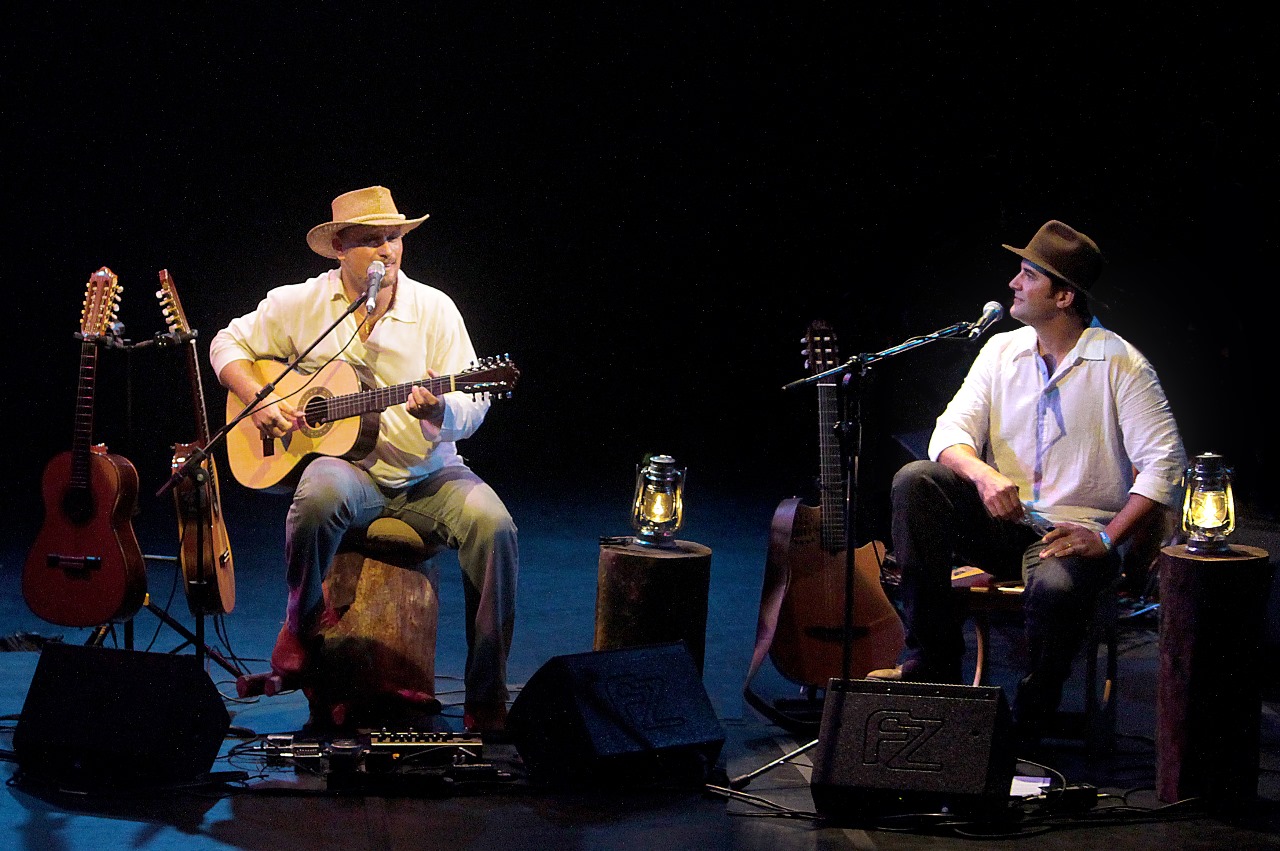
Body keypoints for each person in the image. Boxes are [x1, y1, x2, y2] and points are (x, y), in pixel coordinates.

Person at [210, 185, 519, 734]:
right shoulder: (301, 303)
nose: (388, 251)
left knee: (495, 527)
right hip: (351, 473)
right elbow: (226, 345)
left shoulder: (434, 308)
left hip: (429, 474)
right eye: (372, 240)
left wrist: (440, 410)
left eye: (394, 238)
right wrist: (259, 401)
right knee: (317, 494)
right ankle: (300, 627)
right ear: (338, 248)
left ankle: (487, 694)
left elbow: (476, 402)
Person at [869, 220, 1186, 743]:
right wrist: (984, 474)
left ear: (1063, 296)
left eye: (1028, 275)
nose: (1013, 283)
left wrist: (1107, 538)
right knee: (917, 480)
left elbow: (1165, 465)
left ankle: (1032, 711)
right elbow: (948, 433)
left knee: (1057, 584)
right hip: (1003, 522)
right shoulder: (1002, 352)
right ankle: (932, 665)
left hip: (1071, 535)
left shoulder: (1122, 365)